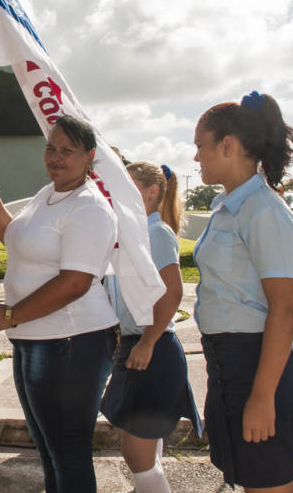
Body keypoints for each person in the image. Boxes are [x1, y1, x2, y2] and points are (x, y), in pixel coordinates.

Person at [0, 115, 119, 493]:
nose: (56, 157)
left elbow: (74, 283)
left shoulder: (89, 207)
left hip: (71, 342)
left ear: (90, 156)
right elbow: (12, 234)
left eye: (67, 150)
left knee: (67, 451)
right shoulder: (48, 195)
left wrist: (10, 315)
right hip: (33, 339)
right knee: (49, 448)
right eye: (51, 148)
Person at [193, 91, 293, 491]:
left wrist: (263, 396)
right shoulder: (229, 206)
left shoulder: (264, 210)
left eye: (200, 146)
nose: (196, 157)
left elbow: (284, 307)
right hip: (229, 364)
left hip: (258, 366)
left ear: (227, 145)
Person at [101, 162, 202, 493]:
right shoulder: (133, 234)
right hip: (140, 344)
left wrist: (147, 341)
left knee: (136, 455)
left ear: (152, 191)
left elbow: (172, 292)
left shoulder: (155, 233)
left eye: (128, 186)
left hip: (152, 347)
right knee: (148, 452)